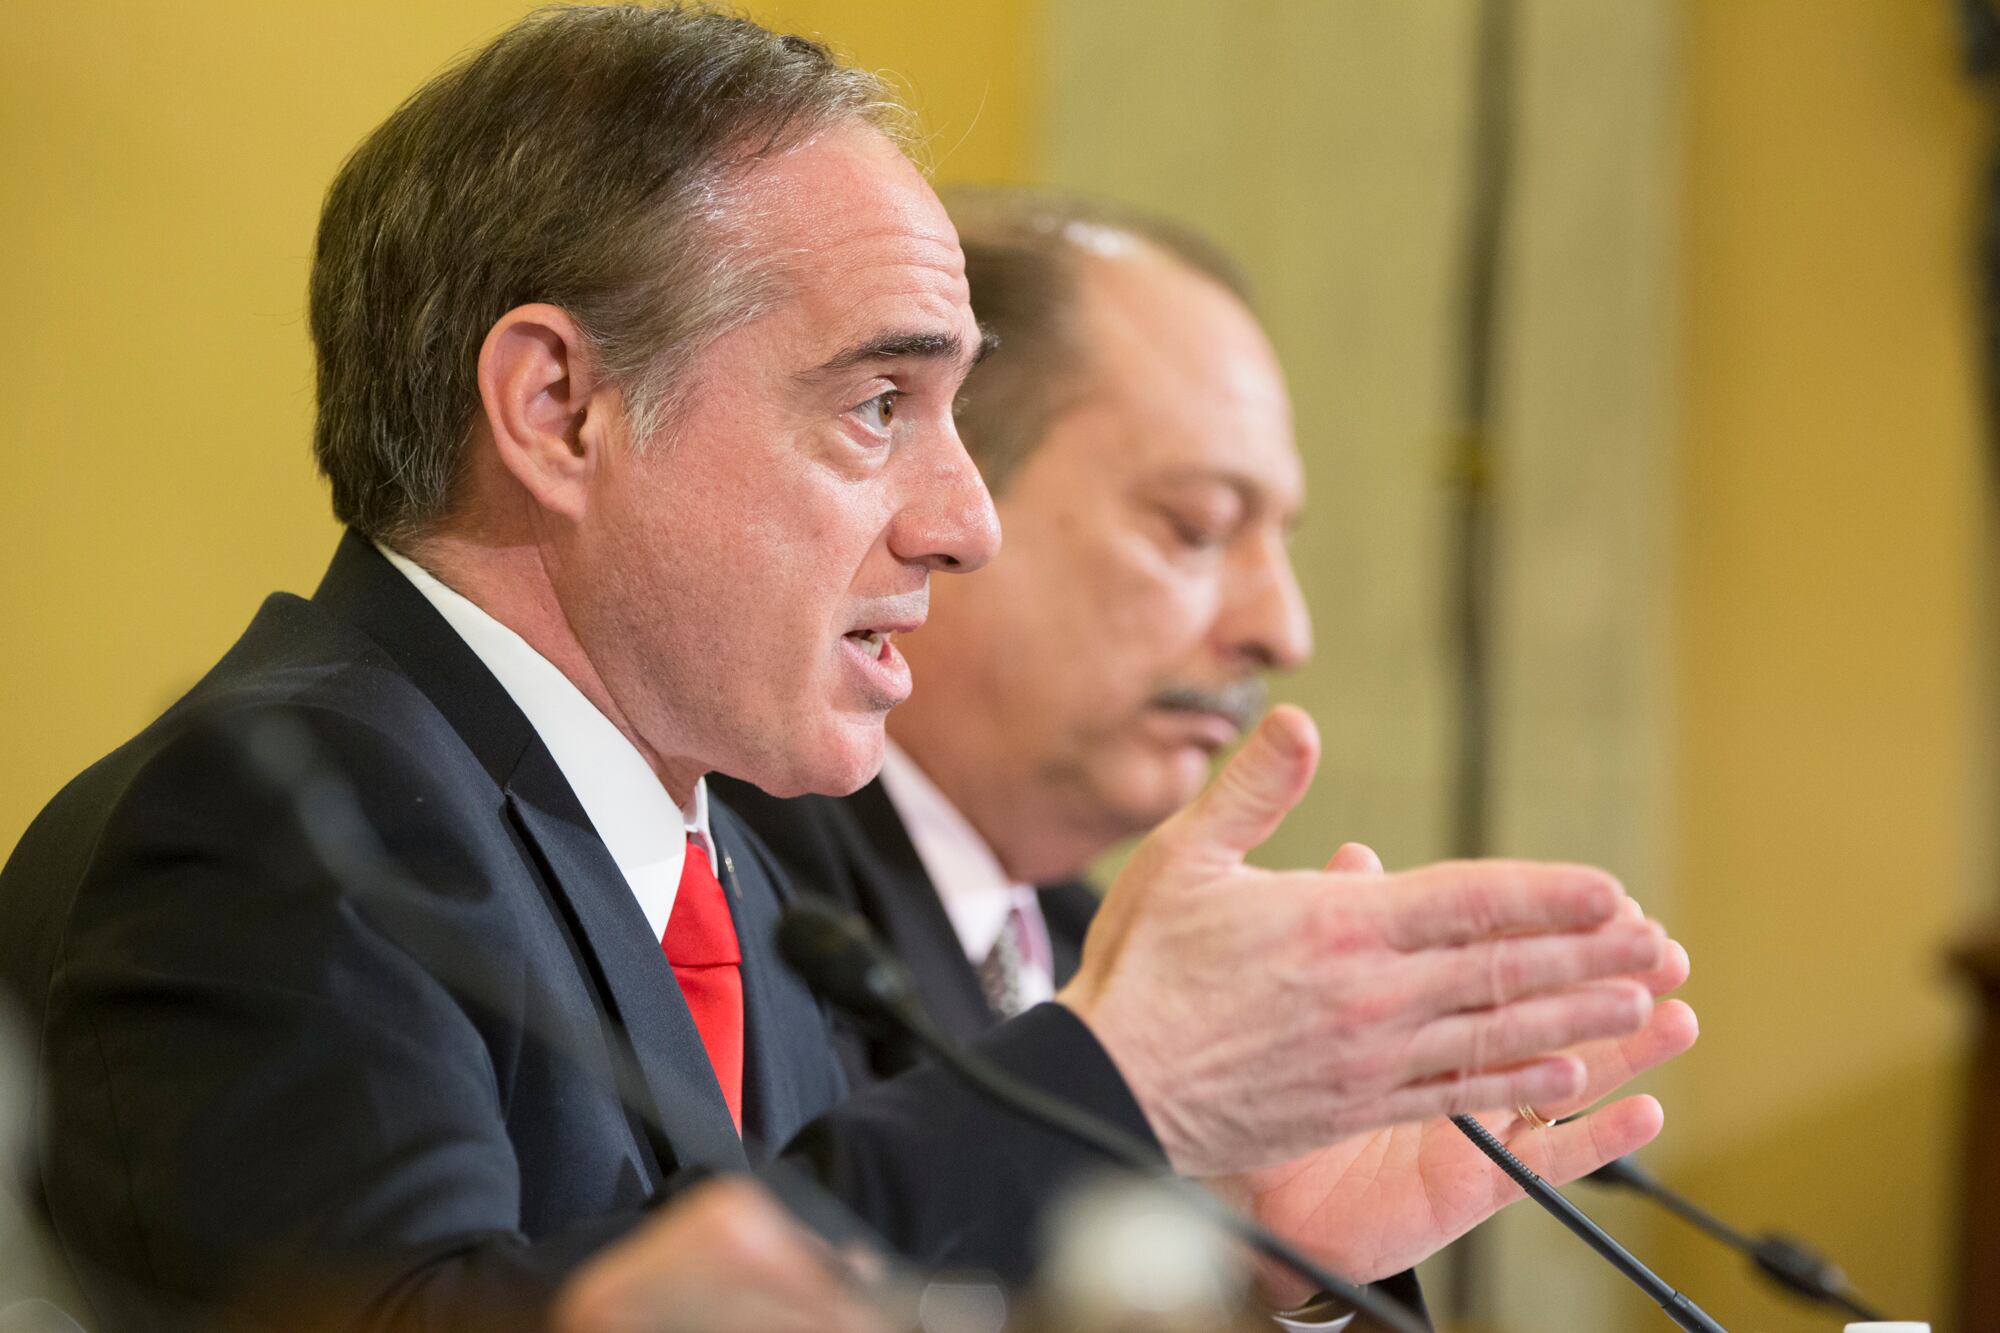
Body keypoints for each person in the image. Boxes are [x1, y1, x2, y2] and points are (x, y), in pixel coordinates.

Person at [0, 9, 1686, 1332]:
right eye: (881, 404)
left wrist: (1250, 1258)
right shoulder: (287, 815)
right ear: (558, 408)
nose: (963, 520)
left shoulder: (723, 864)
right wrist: (1108, 1092)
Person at [714, 190, 1699, 1322]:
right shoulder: (728, 908)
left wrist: (1278, 1283)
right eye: (1195, 527)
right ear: (947, 497)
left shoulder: (1100, 952)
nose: (1283, 629)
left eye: (1276, 541)